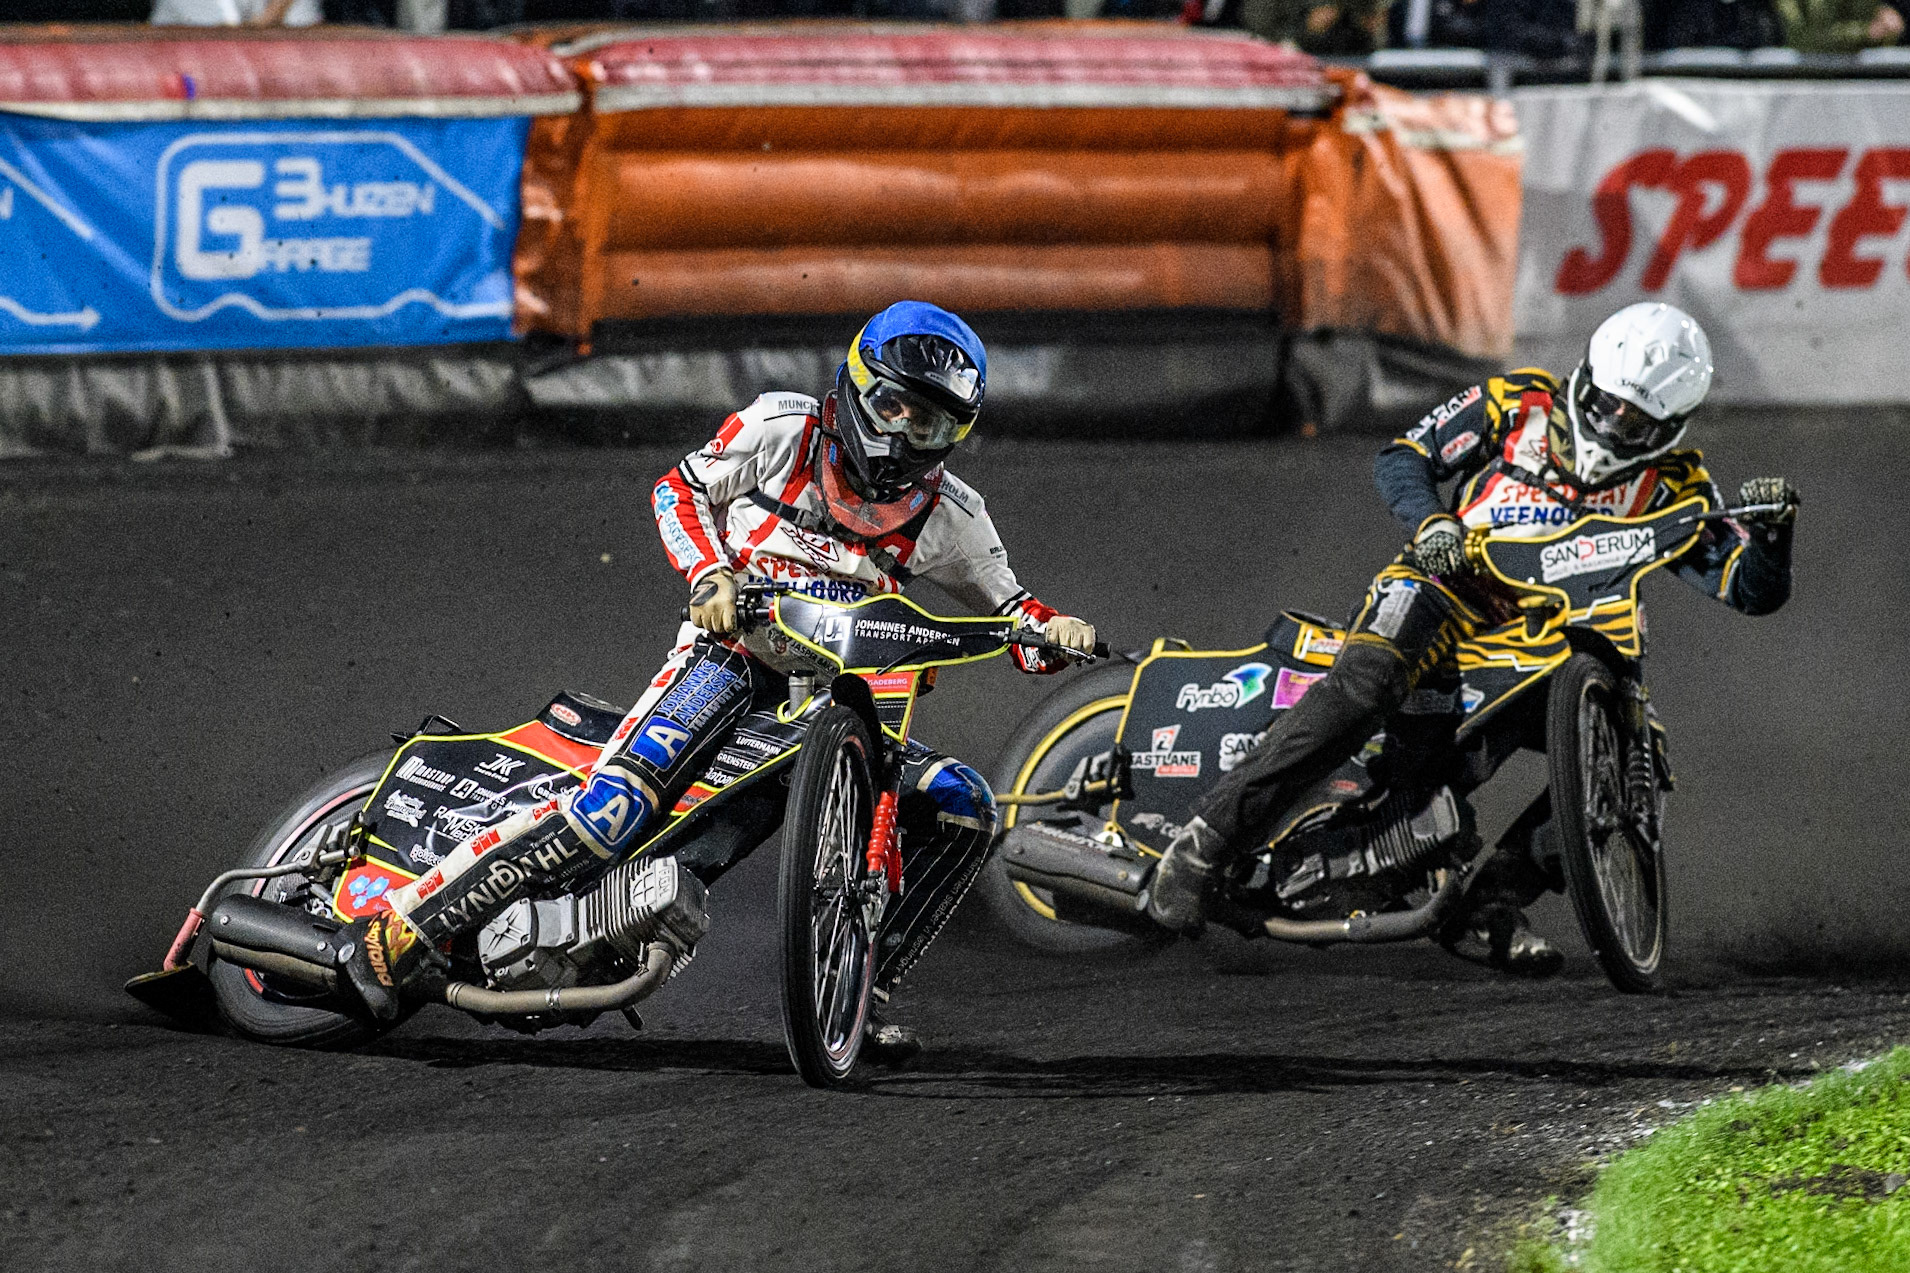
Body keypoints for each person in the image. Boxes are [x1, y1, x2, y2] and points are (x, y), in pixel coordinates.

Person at [334, 301, 1096, 1054]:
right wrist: (709, 574)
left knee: (964, 806)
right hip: (730, 657)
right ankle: (397, 931)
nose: (901, 433)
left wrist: (1056, 630)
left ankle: (860, 993)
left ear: (954, 435)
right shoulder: (783, 427)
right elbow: (679, 488)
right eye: (892, 405)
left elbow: (1017, 616)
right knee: (610, 812)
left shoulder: (955, 513)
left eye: (926, 423)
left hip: (834, 697)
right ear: (856, 387)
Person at [1145, 302, 1798, 972]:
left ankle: (1487, 903)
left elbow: (1747, 588)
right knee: (1370, 679)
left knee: (1637, 759)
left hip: (1543, 641)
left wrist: (1773, 538)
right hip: (1444, 586)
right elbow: (1405, 456)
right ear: (1587, 378)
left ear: (1669, 427)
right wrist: (1432, 522)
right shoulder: (1517, 404)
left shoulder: (1679, 488)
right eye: (1606, 405)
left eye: (1636, 422)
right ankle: (1202, 845)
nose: (1612, 426)